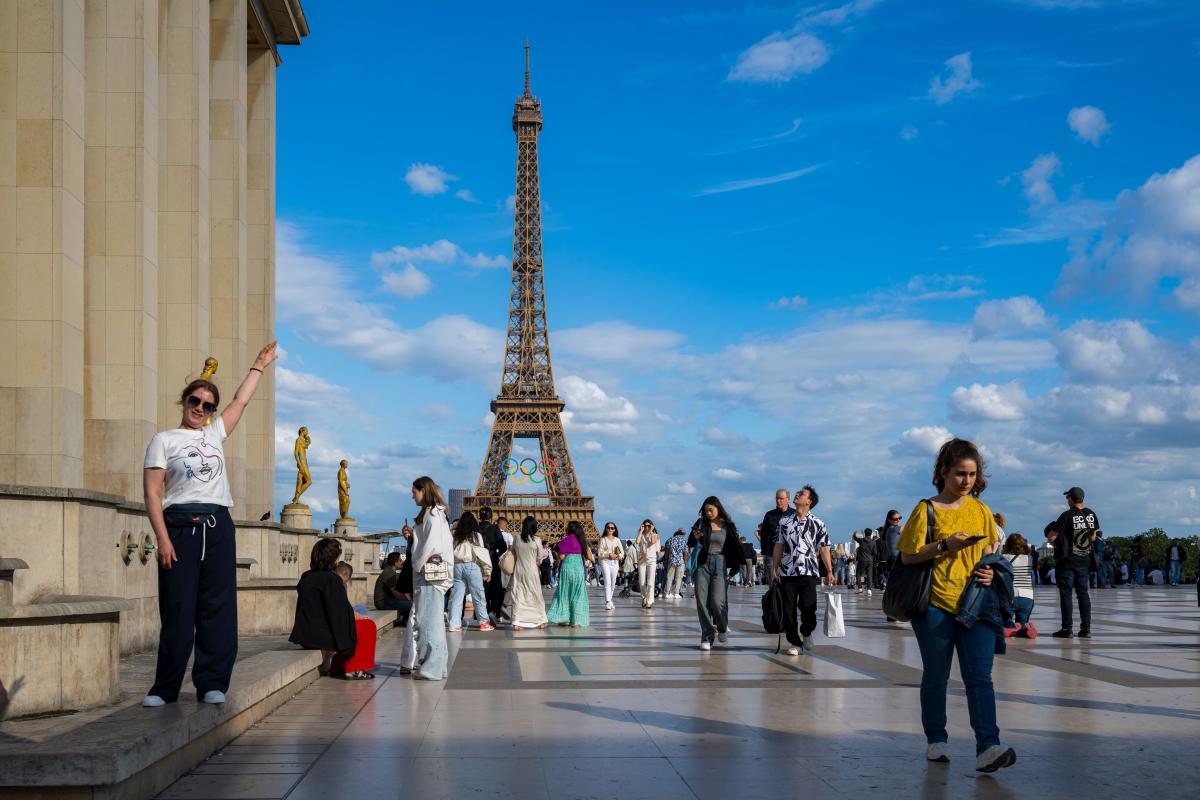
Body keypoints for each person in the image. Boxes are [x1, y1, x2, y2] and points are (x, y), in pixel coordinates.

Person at [142, 341, 277, 707]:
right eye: (195, 402)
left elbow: (241, 402)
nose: (200, 409)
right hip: (180, 527)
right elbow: (153, 494)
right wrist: (163, 538)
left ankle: (212, 682)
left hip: (217, 524)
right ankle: (164, 688)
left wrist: (259, 366)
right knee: (178, 609)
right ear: (184, 402)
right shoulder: (163, 440)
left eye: (207, 405)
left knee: (217, 608)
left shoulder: (214, 433)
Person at [897, 437, 1015, 773]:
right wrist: (944, 545)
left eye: (972, 474)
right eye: (960, 474)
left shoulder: (980, 510)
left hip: (977, 603)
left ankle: (988, 747)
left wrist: (992, 569)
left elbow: (992, 551)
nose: (966, 481)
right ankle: (936, 737)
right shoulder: (926, 510)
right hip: (936, 603)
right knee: (936, 675)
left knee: (980, 677)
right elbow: (907, 556)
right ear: (943, 472)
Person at [770, 486, 833, 655]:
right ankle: (795, 643)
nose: (797, 494)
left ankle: (806, 631)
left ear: (809, 501)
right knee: (788, 610)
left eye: (802, 494)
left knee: (808, 608)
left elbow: (825, 548)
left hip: (808, 572)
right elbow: (778, 546)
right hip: (787, 572)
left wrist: (829, 571)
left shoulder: (818, 523)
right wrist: (773, 569)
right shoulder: (784, 522)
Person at [287, 540, 360, 679]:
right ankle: (349, 667)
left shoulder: (306, 576)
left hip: (304, 636)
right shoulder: (332, 579)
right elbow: (339, 614)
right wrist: (347, 646)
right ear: (332, 557)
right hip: (320, 638)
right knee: (365, 627)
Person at [409, 476, 454, 680]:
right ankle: (437, 666)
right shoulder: (436, 514)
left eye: (415, 491)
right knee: (432, 621)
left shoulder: (432, 514)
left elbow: (431, 545)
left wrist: (417, 563)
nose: (413, 495)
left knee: (427, 621)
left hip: (428, 574)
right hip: (433, 575)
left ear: (423, 491)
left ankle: (430, 668)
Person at [690, 496, 746, 651]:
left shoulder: (727, 525)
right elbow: (690, 543)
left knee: (717, 601)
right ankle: (706, 636)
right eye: (706, 510)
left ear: (718, 508)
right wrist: (694, 538)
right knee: (702, 601)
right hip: (703, 563)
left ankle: (722, 626)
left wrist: (735, 568)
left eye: (711, 510)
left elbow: (734, 546)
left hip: (720, 563)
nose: (708, 513)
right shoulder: (701, 523)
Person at [1051, 487, 1098, 639]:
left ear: (1071, 498)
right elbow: (1093, 538)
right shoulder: (1091, 514)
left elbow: (1052, 537)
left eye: (1067, 498)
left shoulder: (1066, 516)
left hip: (1067, 561)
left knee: (1066, 595)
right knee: (1083, 594)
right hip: (1084, 560)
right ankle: (1086, 629)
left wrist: (1056, 543)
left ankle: (1067, 628)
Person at [448, 511, 495, 633]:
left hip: (457, 566)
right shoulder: (476, 535)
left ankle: (454, 624)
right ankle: (483, 623)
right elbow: (481, 554)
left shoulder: (454, 534)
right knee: (478, 595)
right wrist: (487, 571)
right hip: (472, 566)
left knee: (457, 597)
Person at [332, 561, 377, 679]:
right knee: (369, 625)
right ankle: (357, 668)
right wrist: (360, 617)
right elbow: (343, 610)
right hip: (334, 624)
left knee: (361, 610)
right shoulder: (336, 584)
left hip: (327, 622)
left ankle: (343, 666)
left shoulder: (331, 581)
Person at [548, 520, 593, 626]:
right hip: (578, 569)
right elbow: (589, 556)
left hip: (567, 567)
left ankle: (564, 618)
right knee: (577, 593)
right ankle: (576, 620)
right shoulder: (582, 540)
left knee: (565, 592)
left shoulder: (565, 540)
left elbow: (561, 557)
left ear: (569, 529)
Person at [1003, 534, 1036, 638]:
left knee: (1005, 621)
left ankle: (1010, 627)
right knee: (1022, 623)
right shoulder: (1029, 558)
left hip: (1010, 596)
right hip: (1028, 597)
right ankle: (1025, 629)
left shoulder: (1004, 558)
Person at [479, 507, 508, 624]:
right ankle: (495, 612)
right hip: (492, 560)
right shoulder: (494, 528)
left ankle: (484, 612)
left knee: (481, 588)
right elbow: (503, 546)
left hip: (478, 562)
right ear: (491, 516)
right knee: (496, 588)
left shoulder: (475, 528)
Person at [757, 489, 791, 584]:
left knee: (789, 586)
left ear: (788, 499)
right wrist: (764, 553)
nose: (778, 501)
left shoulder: (794, 514)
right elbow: (764, 535)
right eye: (777, 498)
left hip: (789, 556)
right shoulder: (769, 515)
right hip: (771, 554)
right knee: (773, 585)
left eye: (781, 498)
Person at [374, 551, 411, 622]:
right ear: (395, 562)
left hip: (387, 600)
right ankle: (405, 621)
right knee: (411, 605)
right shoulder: (389, 574)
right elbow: (396, 593)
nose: (401, 562)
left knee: (410, 603)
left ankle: (404, 620)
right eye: (400, 560)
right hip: (384, 603)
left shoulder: (389, 571)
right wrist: (408, 600)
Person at [596, 522, 624, 610]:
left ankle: (610, 600)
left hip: (615, 562)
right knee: (607, 582)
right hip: (605, 561)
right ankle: (608, 601)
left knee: (613, 583)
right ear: (605, 529)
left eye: (612, 528)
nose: (610, 529)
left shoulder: (617, 540)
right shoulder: (603, 539)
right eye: (608, 528)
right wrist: (609, 555)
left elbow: (622, 553)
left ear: (615, 529)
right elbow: (600, 553)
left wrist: (617, 556)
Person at [635, 520, 661, 609]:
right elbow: (637, 542)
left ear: (651, 526)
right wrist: (641, 531)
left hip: (651, 559)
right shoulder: (641, 535)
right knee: (642, 581)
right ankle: (644, 597)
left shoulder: (655, 535)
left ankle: (649, 601)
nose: (646, 527)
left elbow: (652, 542)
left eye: (648, 526)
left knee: (650, 582)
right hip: (642, 559)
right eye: (645, 525)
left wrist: (651, 531)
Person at [663, 528, 689, 598]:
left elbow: (667, 551)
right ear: (683, 534)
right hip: (680, 561)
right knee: (679, 578)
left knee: (669, 577)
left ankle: (666, 593)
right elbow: (685, 553)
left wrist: (666, 558)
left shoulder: (670, 540)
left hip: (671, 560)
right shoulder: (684, 541)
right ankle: (676, 593)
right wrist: (685, 562)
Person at [854, 529, 876, 596]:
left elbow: (855, 537)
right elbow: (875, 553)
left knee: (858, 573)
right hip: (870, 560)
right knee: (869, 575)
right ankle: (869, 590)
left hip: (862, 560)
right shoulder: (873, 542)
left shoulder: (862, 540)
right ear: (871, 534)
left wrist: (855, 533)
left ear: (865, 533)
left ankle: (860, 589)